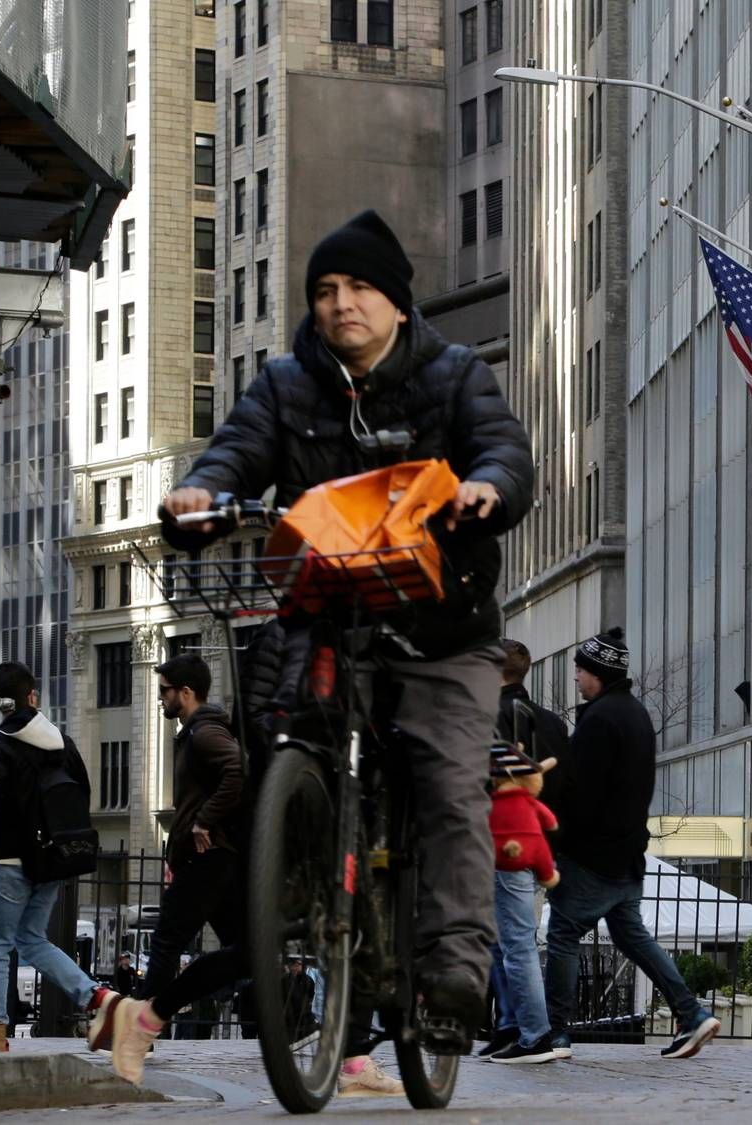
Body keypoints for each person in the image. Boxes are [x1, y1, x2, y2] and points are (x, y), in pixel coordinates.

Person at [160, 209, 534, 1051]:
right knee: (281, 735)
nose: (341, 304)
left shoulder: (454, 374)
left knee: (449, 786)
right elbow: (235, 451)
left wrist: (486, 488)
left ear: (397, 302)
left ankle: (454, 973)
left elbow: (505, 451)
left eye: (360, 287)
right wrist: (200, 494)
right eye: (325, 290)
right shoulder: (285, 384)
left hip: (443, 630)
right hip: (327, 616)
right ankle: (302, 879)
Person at [106, 656, 402, 1095]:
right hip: (218, 856)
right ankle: (285, 1029)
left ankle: (145, 1021)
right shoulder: (201, 731)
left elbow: (236, 770)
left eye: (165, 690)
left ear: (186, 691)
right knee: (246, 952)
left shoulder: (206, 732)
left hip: (212, 857)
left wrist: (204, 820)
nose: (161, 698)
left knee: (181, 943)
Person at [542, 628, 720, 1060]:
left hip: (592, 852)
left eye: (580, 669)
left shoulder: (599, 721)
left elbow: (579, 791)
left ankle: (555, 1033)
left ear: (598, 673)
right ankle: (691, 1013)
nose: (576, 677)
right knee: (632, 935)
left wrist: (557, 838)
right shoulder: (636, 715)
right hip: (627, 851)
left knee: (563, 933)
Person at [0, 662, 120, 1042]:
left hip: (7, 861)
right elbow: (81, 793)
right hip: (51, 861)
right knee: (32, 939)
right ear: (32, 697)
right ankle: (95, 995)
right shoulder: (63, 743)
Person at [485, 744, 559, 1064]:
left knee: (517, 947)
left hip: (507, 863)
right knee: (518, 944)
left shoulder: (500, 797)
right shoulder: (527, 801)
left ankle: (535, 1036)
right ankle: (527, 1031)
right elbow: (549, 823)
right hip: (527, 861)